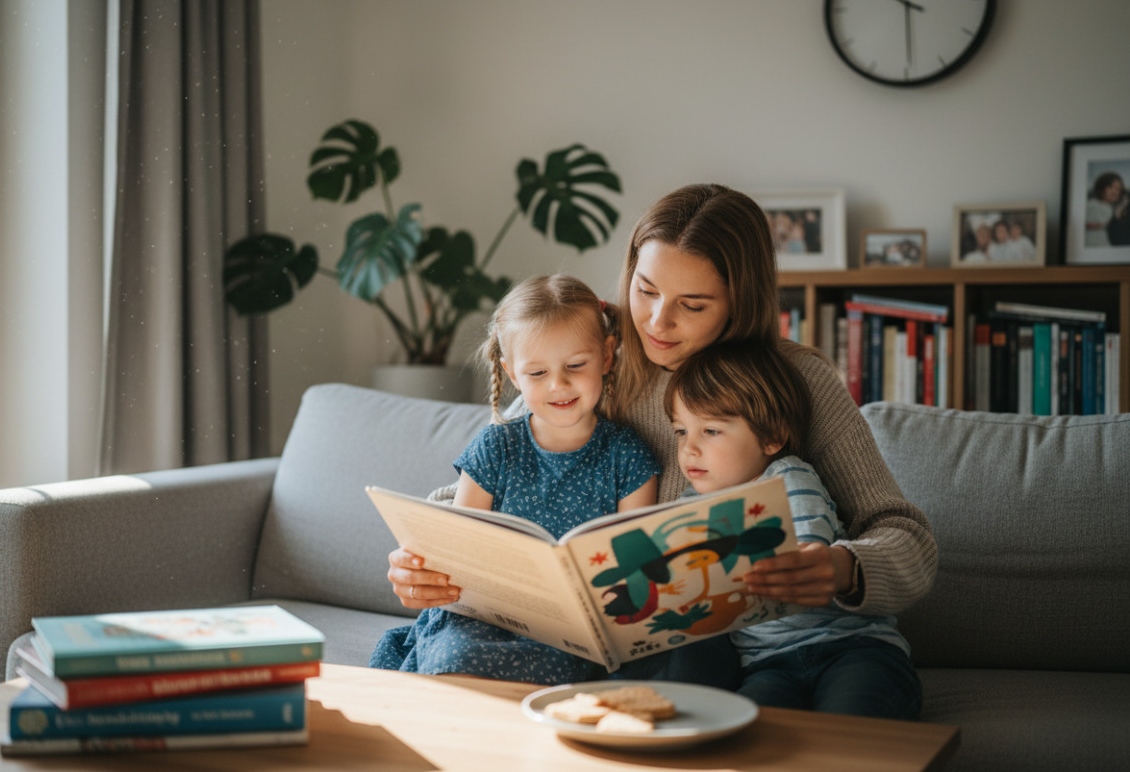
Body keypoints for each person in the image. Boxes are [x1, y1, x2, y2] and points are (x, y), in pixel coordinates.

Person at [386, 184, 937, 672]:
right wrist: (426, 555)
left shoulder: (793, 380)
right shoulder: (590, 359)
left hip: (730, 654)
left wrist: (844, 568)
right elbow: (508, 463)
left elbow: (903, 534)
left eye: (691, 305)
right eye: (645, 290)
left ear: (738, 303)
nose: (655, 322)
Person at [368, 273, 661, 685]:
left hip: (575, 635)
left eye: (576, 366)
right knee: (457, 654)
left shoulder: (627, 456)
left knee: (584, 673)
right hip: (484, 621)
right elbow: (461, 551)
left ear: (607, 355)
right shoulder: (495, 447)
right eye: (537, 373)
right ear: (511, 373)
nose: (558, 385)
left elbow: (636, 565)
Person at [665, 341, 921, 719]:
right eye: (681, 431)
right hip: (767, 664)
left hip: (853, 648)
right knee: (751, 732)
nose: (690, 449)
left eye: (711, 431)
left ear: (771, 437)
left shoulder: (788, 478)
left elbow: (803, 554)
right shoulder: (686, 509)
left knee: (852, 720)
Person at [1086, 171, 1128, 247]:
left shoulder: (1108, 206)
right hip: (1094, 243)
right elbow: (1088, 225)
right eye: (1110, 187)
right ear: (1102, 188)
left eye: (1118, 189)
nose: (1115, 192)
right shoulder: (1093, 205)